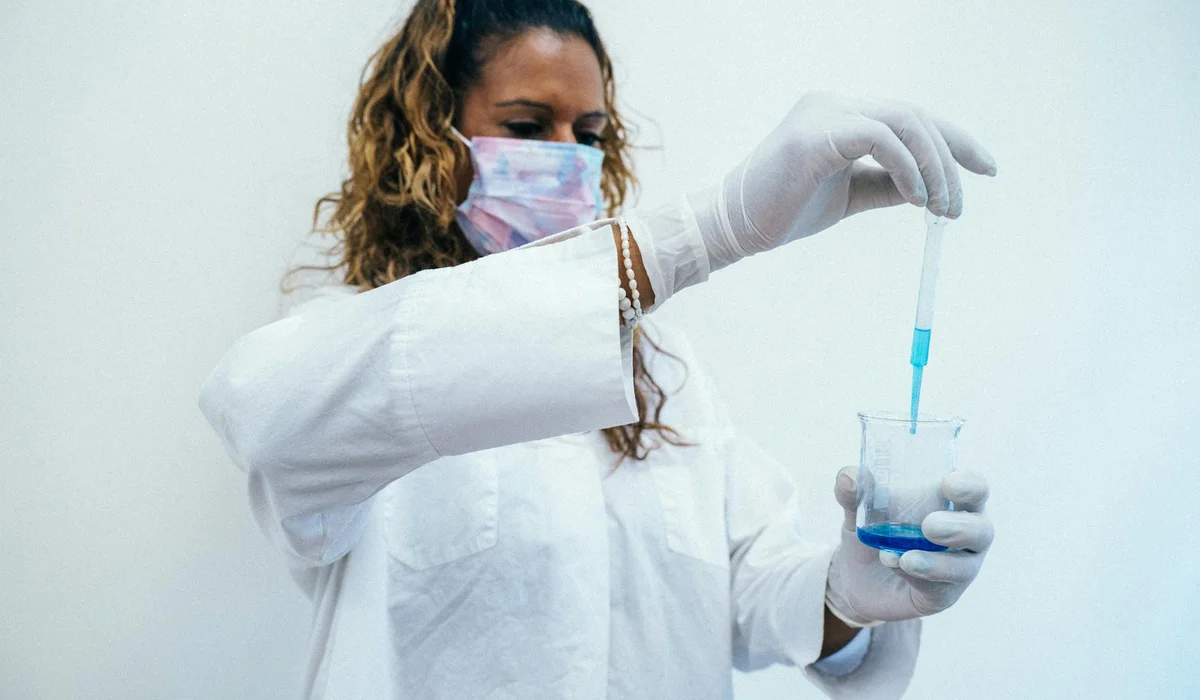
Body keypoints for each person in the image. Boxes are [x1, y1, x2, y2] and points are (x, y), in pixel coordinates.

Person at [198, 0, 998, 698]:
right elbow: (264, 417)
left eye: (589, 134)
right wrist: (706, 232)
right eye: (524, 126)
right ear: (432, 136)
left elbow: (753, 596)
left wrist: (847, 593)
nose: (569, 158)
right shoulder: (352, 341)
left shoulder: (663, 372)